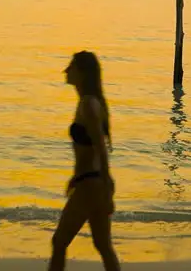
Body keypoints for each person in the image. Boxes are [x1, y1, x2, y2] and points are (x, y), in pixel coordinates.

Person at [49, 51, 120, 271]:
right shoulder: (90, 102)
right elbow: (91, 149)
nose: (66, 71)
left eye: (71, 66)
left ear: (82, 73)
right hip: (92, 182)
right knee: (103, 245)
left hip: (90, 185)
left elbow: (99, 146)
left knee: (59, 241)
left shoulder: (88, 105)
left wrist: (107, 184)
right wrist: (78, 177)